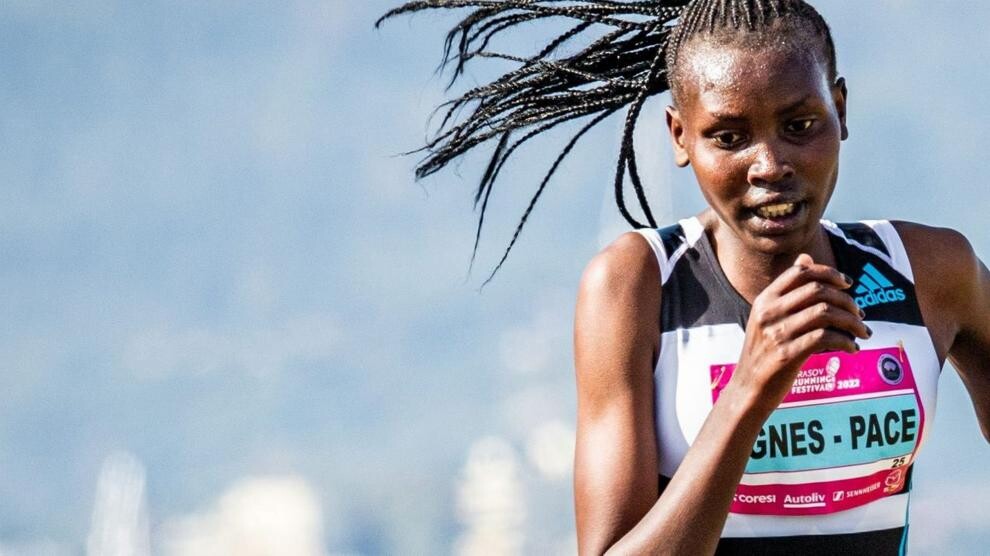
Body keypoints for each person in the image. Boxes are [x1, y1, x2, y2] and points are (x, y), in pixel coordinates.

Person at [377, 1, 990, 554]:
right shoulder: (636, 286)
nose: (770, 165)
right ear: (680, 136)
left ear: (841, 109)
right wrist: (748, 391)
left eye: (800, 125)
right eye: (729, 137)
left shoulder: (926, 271)